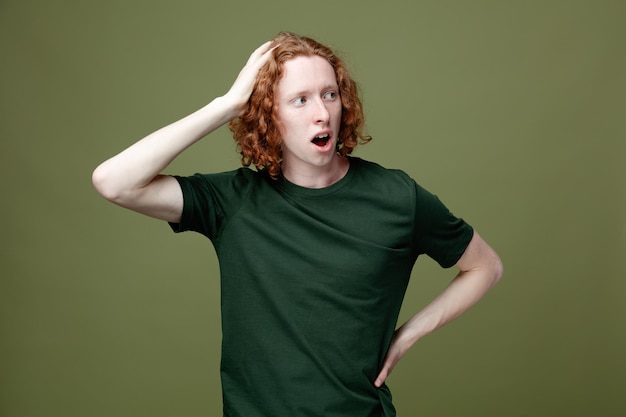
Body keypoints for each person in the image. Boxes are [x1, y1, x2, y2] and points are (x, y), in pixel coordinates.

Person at [92, 32, 503, 417]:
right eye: (300, 100)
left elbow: (485, 266)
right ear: (268, 116)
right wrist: (228, 104)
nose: (322, 113)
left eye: (329, 94)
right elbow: (114, 182)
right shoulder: (232, 201)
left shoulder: (398, 197)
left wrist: (407, 334)